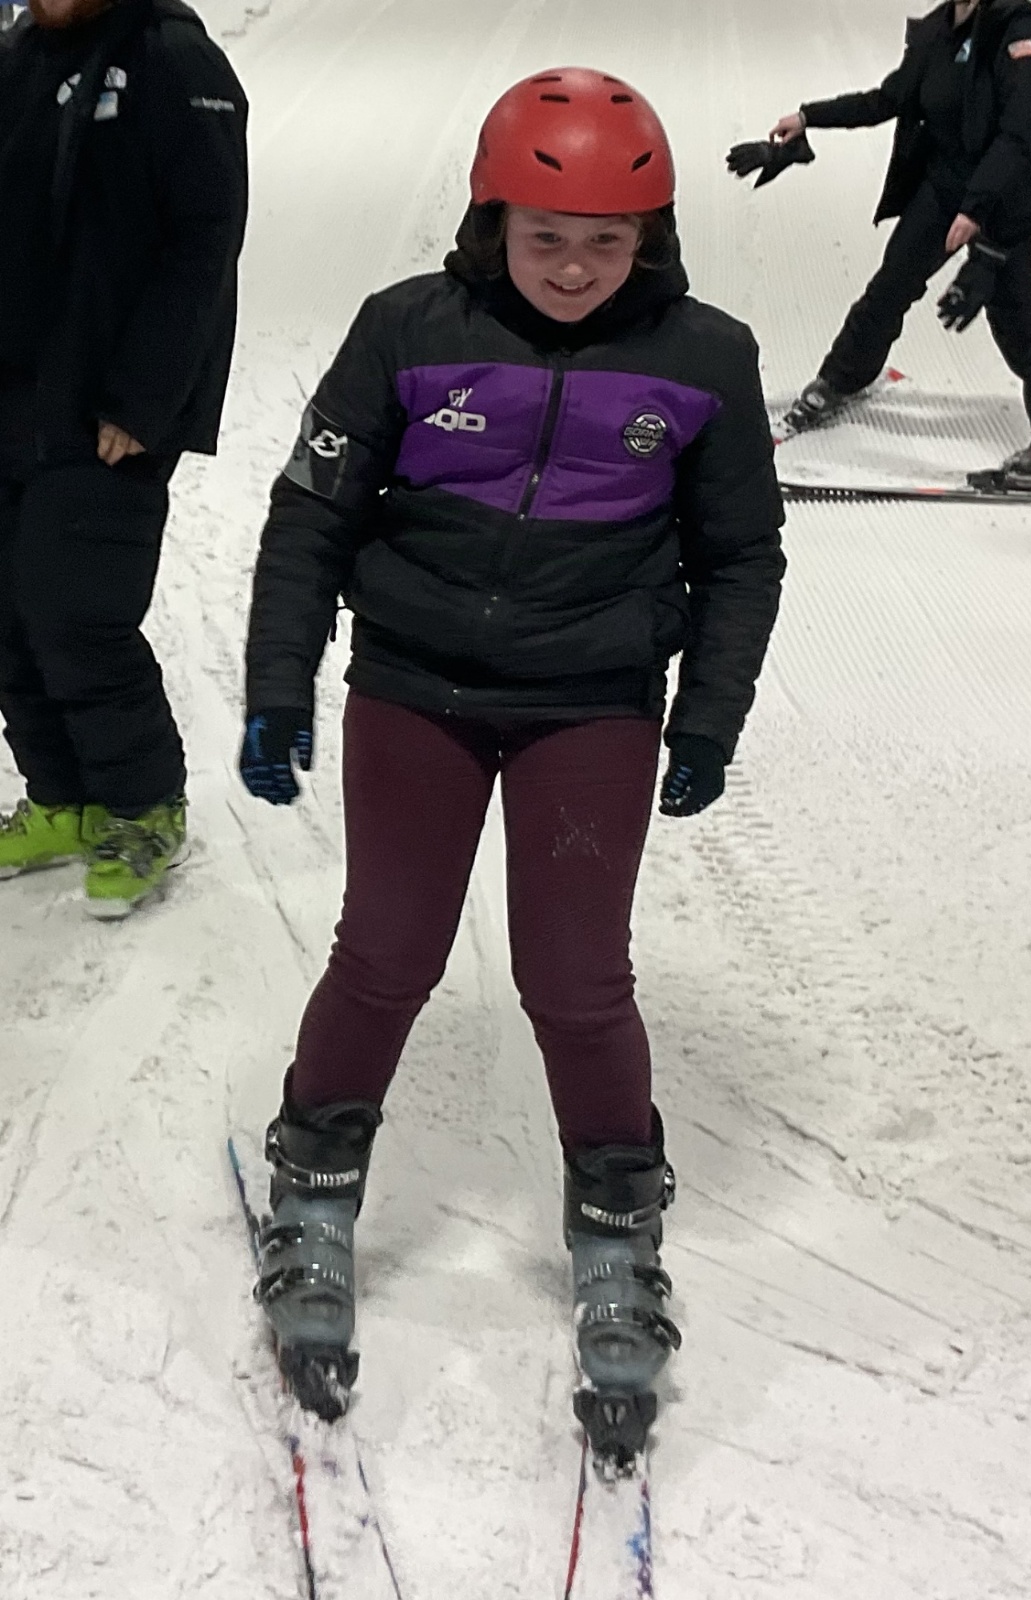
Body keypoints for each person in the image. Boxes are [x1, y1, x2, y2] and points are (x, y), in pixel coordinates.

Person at [239, 68, 785, 1465]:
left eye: (607, 240)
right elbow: (313, 511)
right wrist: (278, 680)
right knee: (387, 951)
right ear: (492, 221)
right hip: (415, 687)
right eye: (545, 236)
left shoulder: (705, 358)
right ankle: (313, 1191)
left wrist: (708, 719)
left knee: (576, 978)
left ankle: (617, 1230)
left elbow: (741, 556)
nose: (575, 266)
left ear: (651, 237)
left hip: (589, 701)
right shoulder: (406, 328)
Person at [0, 0, 248, 916]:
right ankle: (62, 799)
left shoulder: (173, 59)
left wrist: (147, 398)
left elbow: (204, 241)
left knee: (78, 614)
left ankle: (143, 806)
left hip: (107, 404)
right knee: (10, 615)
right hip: (13, 392)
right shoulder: (21, 52)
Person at [758, 0, 1031, 484]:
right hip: (945, 188)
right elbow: (888, 98)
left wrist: (977, 213)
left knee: (1017, 322)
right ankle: (839, 380)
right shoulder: (937, 30)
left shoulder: (1018, 28)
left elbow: (1020, 132)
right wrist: (808, 117)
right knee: (889, 290)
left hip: (1003, 194)